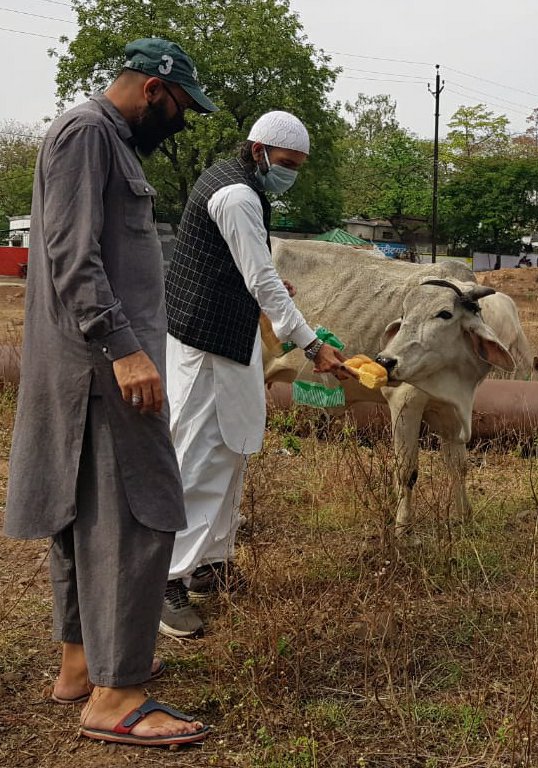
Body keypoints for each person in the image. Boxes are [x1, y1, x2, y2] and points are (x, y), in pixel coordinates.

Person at [3, 38, 217, 746]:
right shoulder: (89, 132)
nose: (181, 123)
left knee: (83, 516)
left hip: (90, 371)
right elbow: (70, 253)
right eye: (181, 107)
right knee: (141, 516)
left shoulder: (100, 138)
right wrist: (125, 351)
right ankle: (117, 694)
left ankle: (79, 667)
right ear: (155, 88)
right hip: (103, 372)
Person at [160, 110, 346, 637]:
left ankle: (209, 566)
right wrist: (312, 347)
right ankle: (166, 579)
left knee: (234, 447)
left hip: (228, 335)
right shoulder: (238, 196)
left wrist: (266, 290)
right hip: (206, 343)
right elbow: (261, 277)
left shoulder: (233, 180)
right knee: (198, 455)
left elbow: (246, 270)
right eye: (286, 163)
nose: (290, 174)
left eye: (298, 166)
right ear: (258, 149)